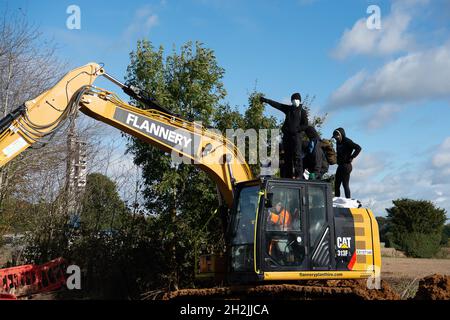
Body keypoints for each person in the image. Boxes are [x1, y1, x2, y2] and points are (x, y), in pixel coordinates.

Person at [260, 93, 309, 179]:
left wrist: (297, 129)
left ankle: (299, 175)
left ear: (299, 100)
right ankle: (288, 176)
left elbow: (305, 125)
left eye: (296, 100)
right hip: (287, 137)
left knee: (297, 156)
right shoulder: (288, 109)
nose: (294, 101)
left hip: (296, 137)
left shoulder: (302, 112)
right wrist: (266, 101)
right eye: (293, 100)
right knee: (287, 157)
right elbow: (278, 105)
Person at [332, 127, 361, 199]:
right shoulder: (338, 142)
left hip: (347, 166)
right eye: (335, 138)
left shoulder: (347, 141)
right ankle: (337, 200)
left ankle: (348, 201)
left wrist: (352, 157)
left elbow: (358, 148)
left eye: (337, 137)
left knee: (345, 184)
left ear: (341, 135)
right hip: (340, 165)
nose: (336, 139)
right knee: (336, 184)